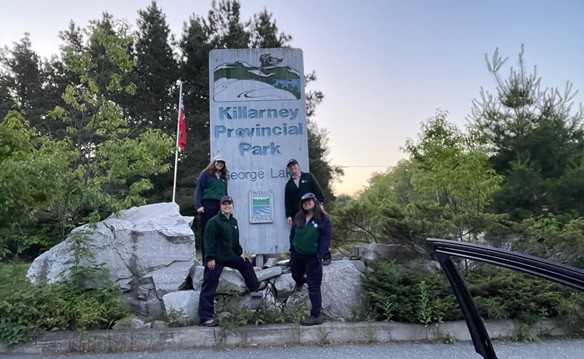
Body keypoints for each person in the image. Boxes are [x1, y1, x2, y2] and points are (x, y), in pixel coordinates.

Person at [198, 196, 267, 327]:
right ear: (220, 206)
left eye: (229, 204)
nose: (227, 206)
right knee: (209, 286)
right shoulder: (214, 221)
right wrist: (210, 258)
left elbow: (235, 241)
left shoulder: (233, 221)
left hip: (229, 256)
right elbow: (208, 241)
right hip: (216, 259)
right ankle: (205, 318)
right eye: (224, 204)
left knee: (245, 263)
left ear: (232, 206)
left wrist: (240, 253)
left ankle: (254, 285)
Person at [289, 192, 332, 326]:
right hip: (297, 254)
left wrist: (320, 254)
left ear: (314, 202)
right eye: (304, 202)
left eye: (309, 201)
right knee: (295, 274)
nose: (306, 203)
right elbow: (293, 233)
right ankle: (300, 281)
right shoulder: (299, 217)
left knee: (314, 285)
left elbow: (326, 238)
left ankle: (316, 315)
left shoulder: (323, 219)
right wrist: (292, 248)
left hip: (313, 257)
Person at [284, 159, 332, 264]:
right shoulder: (289, 185)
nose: (293, 168)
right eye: (290, 167)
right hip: (299, 213)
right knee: (297, 235)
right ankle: (295, 258)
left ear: (298, 166)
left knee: (319, 232)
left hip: (313, 210)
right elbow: (287, 201)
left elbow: (317, 190)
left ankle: (325, 256)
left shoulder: (308, 177)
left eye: (294, 165)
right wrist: (288, 215)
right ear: (289, 169)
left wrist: (321, 204)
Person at [195, 154, 228, 260]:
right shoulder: (206, 174)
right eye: (218, 162)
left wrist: (226, 207)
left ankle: (218, 258)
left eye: (222, 163)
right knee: (207, 231)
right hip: (207, 205)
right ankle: (206, 259)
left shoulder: (223, 177)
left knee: (219, 232)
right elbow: (198, 189)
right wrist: (199, 205)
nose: (220, 164)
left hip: (220, 206)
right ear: (214, 162)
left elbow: (225, 193)